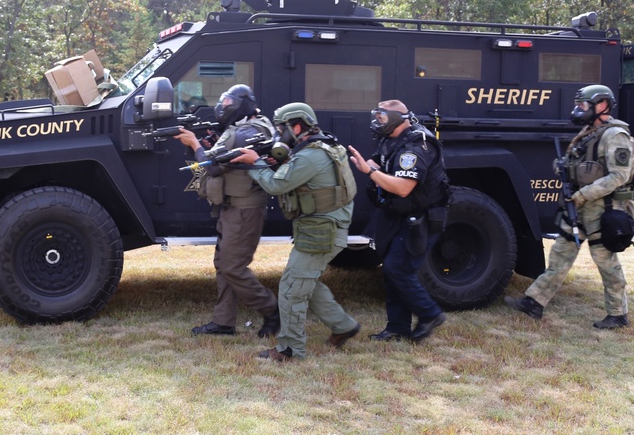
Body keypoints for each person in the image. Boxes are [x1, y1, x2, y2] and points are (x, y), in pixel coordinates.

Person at [230, 103, 360, 361]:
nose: (280, 134)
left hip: (322, 230)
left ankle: (290, 350)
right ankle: (343, 326)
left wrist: (255, 163)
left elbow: (276, 185)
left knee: (292, 289)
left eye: (282, 128)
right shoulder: (325, 146)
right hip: (325, 227)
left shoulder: (311, 155)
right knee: (303, 281)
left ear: (297, 126)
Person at [505, 84, 634, 329]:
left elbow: (618, 176)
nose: (579, 109)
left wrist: (583, 194)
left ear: (601, 105)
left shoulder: (615, 135)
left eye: (583, 105)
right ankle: (534, 302)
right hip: (578, 206)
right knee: (560, 256)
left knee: (606, 262)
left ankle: (618, 314)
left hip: (602, 208)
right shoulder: (588, 133)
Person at [174, 84, 281, 338]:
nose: (223, 107)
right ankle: (223, 322)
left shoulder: (247, 131)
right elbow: (218, 155)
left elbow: (212, 166)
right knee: (223, 264)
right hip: (233, 207)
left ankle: (273, 311)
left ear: (242, 104)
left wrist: (193, 142)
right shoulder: (244, 127)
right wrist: (204, 143)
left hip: (244, 209)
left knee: (233, 267)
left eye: (229, 102)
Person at [347, 100, 450, 342]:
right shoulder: (391, 138)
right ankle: (397, 328)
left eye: (381, 118)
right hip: (399, 213)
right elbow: (379, 162)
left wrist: (369, 172)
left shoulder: (417, 144)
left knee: (398, 268)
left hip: (421, 217)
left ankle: (430, 314)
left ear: (396, 119)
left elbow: (404, 188)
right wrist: (351, 162)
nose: (377, 122)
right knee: (392, 270)